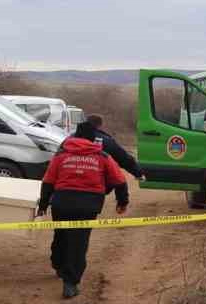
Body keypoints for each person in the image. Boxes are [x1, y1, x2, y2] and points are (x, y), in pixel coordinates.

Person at [37, 121, 129, 299]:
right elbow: (119, 180)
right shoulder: (102, 156)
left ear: (75, 136)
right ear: (92, 138)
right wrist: (122, 202)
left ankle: (58, 264)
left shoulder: (61, 155)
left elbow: (48, 181)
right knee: (78, 243)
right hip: (88, 205)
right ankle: (70, 283)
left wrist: (43, 205)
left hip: (62, 202)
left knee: (61, 235)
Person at [86, 114, 144, 180]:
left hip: (73, 181)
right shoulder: (106, 140)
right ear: (100, 125)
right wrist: (137, 172)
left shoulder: (73, 137)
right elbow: (123, 158)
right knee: (120, 183)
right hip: (95, 181)